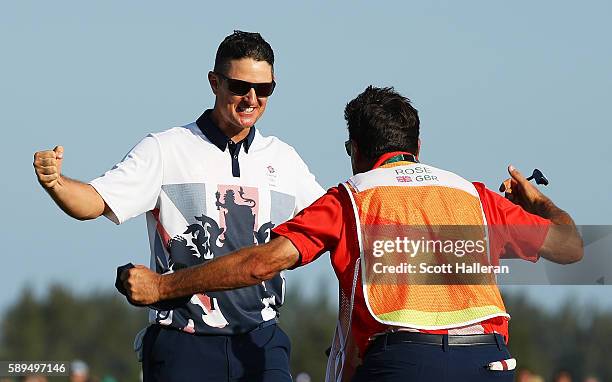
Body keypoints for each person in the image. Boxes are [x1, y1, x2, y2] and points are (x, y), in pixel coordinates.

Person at [121, 86, 583, 381]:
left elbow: (261, 262)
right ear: (418, 147)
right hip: (488, 361)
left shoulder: (351, 198)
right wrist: (537, 202)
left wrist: (163, 285)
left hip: (402, 363)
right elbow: (573, 248)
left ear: (355, 150)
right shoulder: (474, 196)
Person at [33, 30, 324, 382]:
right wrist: (56, 184)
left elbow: (331, 227)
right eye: (239, 86)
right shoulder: (165, 148)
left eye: (264, 90)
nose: (251, 99)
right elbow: (94, 202)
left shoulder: (285, 159)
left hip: (261, 341)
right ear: (214, 82)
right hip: (184, 343)